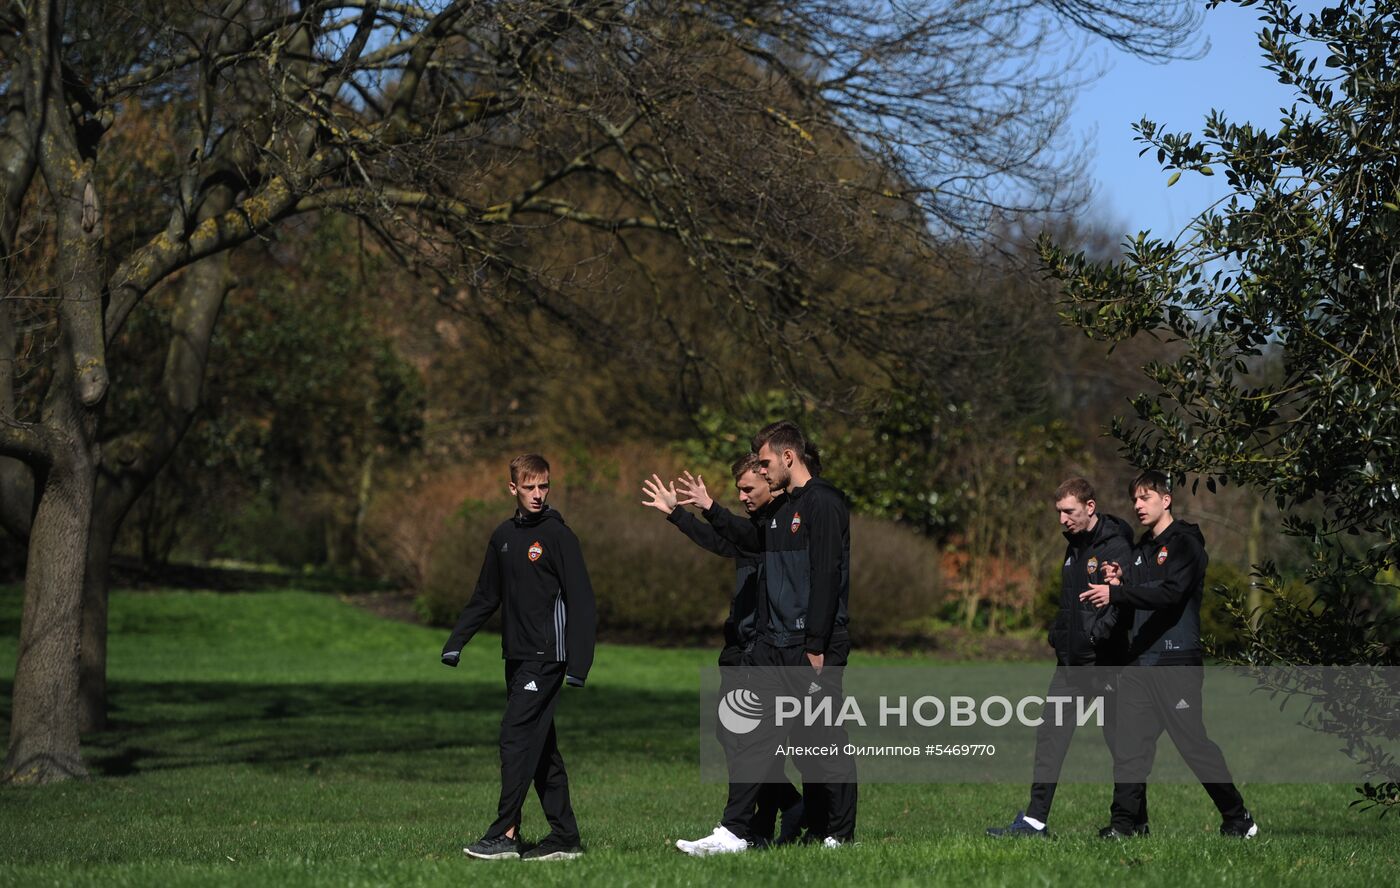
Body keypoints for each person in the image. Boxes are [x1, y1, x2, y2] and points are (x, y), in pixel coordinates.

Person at [677, 420, 857, 847]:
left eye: (765, 461)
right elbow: (741, 539)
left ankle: (836, 833)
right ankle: (734, 832)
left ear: (788, 457)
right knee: (751, 738)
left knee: (822, 745)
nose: (761, 470)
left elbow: (827, 574)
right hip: (772, 648)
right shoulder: (780, 512)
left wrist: (816, 644)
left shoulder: (824, 503)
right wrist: (702, 510)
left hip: (810, 649)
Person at [1081, 470, 1259, 839]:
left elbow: (1171, 594)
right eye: (1134, 499)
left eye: (1145, 497)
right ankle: (1125, 826)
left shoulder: (1185, 544)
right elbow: (1140, 592)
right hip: (1139, 663)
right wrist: (1121, 580)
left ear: (1166, 499)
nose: (1137, 505)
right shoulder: (1142, 550)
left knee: (1193, 746)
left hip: (1177, 662)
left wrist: (1118, 593)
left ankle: (1238, 818)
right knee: (1128, 746)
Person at [641, 455, 803, 854]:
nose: (744, 496)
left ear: (773, 483)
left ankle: (741, 829)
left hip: (767, 651)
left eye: (749, 489)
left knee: (749, 738)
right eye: (739, 491)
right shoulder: (757, 527)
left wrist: (709, 507)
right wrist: (678, 514)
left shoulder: (780, 526)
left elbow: (739, 535)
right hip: (740, 647)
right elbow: (723, 541)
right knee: (729, 735)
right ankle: (789, 806)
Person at [441, 453, 598, 861]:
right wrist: (457, 641)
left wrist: (579, 665)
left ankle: (505, 835)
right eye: (529, 487)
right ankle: (565, 837)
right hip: (515, 657)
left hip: (547, 657)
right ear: (512, 488)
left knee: (515, 737)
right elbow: (486, 595)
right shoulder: (503, 537)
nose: (537, 494)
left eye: (543, 486)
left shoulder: (559, 536)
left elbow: (582, 601)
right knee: (542, 749)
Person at [987, 477, 1139, 837]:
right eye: (1058, 512)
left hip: (1105, 664)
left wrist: (1094, 637)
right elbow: (1070, 603)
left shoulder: (1115, 546)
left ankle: (1131, 822)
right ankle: (1035, 822)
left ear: (1089, 507)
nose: (1062, 520)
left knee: (1122, 745)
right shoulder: (1073, 546)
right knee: (1050, 737)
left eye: (1068, 511)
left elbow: (1121, 602)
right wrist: (1060, 634)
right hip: (1070, 665)